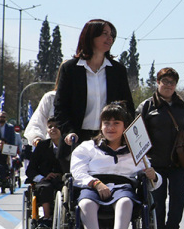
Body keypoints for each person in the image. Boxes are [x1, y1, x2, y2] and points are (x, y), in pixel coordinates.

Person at [70, 103, 161, 229]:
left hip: (123, 187)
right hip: (93, 186)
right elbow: (77, 172)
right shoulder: (88, 147)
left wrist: (153, 175)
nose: (110, 127)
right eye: (107, 123)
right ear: (101, 126)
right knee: (86, 203)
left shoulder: (136, 151)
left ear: (125, 126)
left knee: (126, 201)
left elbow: (155, 181)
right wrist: (95, 183)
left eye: (116, 123)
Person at [137, 67, 184, 229]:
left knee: (178, 198)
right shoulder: (147, 106)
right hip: (154, 161)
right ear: (158, 83)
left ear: (176, 85)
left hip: (179, 161)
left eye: (172, 82)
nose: (168, 85)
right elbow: (136, 130)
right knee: (157, 199)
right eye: (164, 81)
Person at [54, 19, 134, 149]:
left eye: (112, 35)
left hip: (109, 139)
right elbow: (60, 106)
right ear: (90, 36)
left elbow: (128, 106)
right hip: (76, 139)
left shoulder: (118, 70)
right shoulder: (70, 68)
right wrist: (68, 131)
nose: (110, 38)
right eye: (105, 34)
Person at [25, 117, 65, 229]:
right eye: (50, 126)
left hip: (62, 180)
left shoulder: (68, 146)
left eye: (56, 126)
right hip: (45, 180)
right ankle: (47, 218)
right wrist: (41, 177)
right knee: (45, 187)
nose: (53, 129)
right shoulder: (42, 146)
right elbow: (30, 169)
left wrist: (61, 175)